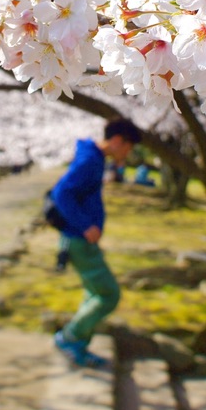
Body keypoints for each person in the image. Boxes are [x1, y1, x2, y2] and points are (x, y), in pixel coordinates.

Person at [51, 117, 142, 368]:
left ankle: (79, 344)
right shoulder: (91, 159)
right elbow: (62, 192)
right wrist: (85, 225)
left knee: (94, 292)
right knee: (108, 294)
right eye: (128, 146)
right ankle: (69, 338)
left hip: (77, 238)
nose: (128, 152)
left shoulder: (93, 157)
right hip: (78, 239)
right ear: (116, 140)